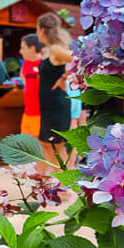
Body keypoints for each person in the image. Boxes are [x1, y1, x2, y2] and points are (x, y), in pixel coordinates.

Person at [36, 12, 73, 170]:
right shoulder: (48, 50)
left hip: (57, 104)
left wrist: (64, 79)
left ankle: (66, 185)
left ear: (42, 30)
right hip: (48, 105)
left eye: (36, 29)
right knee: (45, 143)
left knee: (57, 145)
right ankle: (55, 181)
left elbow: (77, 60)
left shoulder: (56, 49)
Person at [18, 33, 44, 138]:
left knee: (39, 147)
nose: (20, 51)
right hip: (28, 112)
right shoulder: (25, 63)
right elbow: (22, 74)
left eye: (23, 48)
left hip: (40, 114)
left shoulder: (42, 64)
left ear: (32, 48)